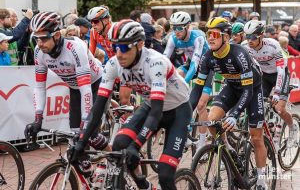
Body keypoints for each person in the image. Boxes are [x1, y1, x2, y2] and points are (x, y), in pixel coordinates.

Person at [70, 19, 192, 190]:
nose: (119, 54)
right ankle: (144, 185)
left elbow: (157, 112)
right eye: (115, 47)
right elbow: (97, 108)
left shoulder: (156, 62)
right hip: (151, 105)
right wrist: (82, 142)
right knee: (119, 145)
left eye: (125, 47)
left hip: (177, 110)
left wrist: (136, 145)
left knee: (165, 174)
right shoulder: (113, 64)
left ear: (140, 44)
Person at [24, 12, 108, 167]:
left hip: (96, 84)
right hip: (75, 88)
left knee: (89, 135)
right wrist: (38, 118)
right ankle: (87, 173)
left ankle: (113, 158)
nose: (39, 43)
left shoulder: (75, 47)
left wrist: (85, 123)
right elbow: (39, 87)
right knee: (74, 136)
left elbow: (86, 89)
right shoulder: (39, 52)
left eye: (43, 38)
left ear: (56, 35)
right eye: (36, 38)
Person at [192, 17, 268, 189]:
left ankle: (262, 179)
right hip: (232, 87)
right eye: (207, 34)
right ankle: (229, 149)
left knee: (256, 137)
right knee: (212, 119)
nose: (209, 38)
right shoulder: (207, 57)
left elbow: (247, 91)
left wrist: (234, 114)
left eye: (214, 34)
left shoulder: (239, 53)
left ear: (226, 37)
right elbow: (197, 89)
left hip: (252, 89)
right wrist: (185, 112)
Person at [243, 20, 298, 150]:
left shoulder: (273, 45)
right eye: (247, 36)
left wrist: (278, 92)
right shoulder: (245, 46)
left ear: (261, 36)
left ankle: (292, 127)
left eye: (253, 37)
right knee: (257, 104)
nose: (249, 40)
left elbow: (280, 71)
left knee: (279, 108)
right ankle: (269, 127)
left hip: (281, 74)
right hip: (264, 76)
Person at [164, 11, 212, 151]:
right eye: (174, 27)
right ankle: (184, 128)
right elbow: (164, 59)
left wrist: (184, 83)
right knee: (177, 74)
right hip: (190, 64)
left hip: (207, 66)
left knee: (201, 105)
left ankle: (201, 142)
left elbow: (195, 65)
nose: (176, 31)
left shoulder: (198, 37)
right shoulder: (173, 38)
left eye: (179, 28)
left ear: (187, 27)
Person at [87, 5, 132, 105]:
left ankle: (130, 118)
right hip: (113, 66)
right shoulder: (94, 33)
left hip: (125, 65)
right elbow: (90, 55)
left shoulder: (116, 31)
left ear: (106, 20)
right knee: (102, 97)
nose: (93, 25)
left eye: (96, 21)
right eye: (91, 22)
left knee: (124, 100)